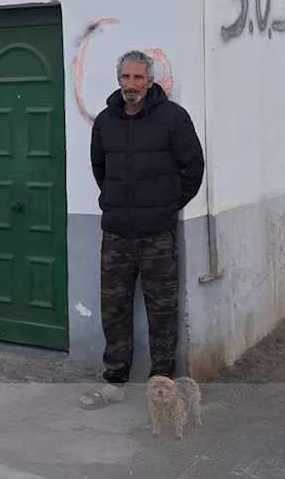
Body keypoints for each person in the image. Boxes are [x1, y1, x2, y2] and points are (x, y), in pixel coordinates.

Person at [77, 50, 205, 410]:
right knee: (114, 309)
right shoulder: (106, 121)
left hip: (157, 235)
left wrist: (167, 205)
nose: (131, 85)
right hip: (116, 232)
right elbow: (99, 168)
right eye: (126, 78)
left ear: (150, 81)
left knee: (162, 310)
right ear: (118, 80)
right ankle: (114, 382)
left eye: (138, 78)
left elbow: (193, 167)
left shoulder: (173, 119)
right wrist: (118, 201)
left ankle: (161, 388)